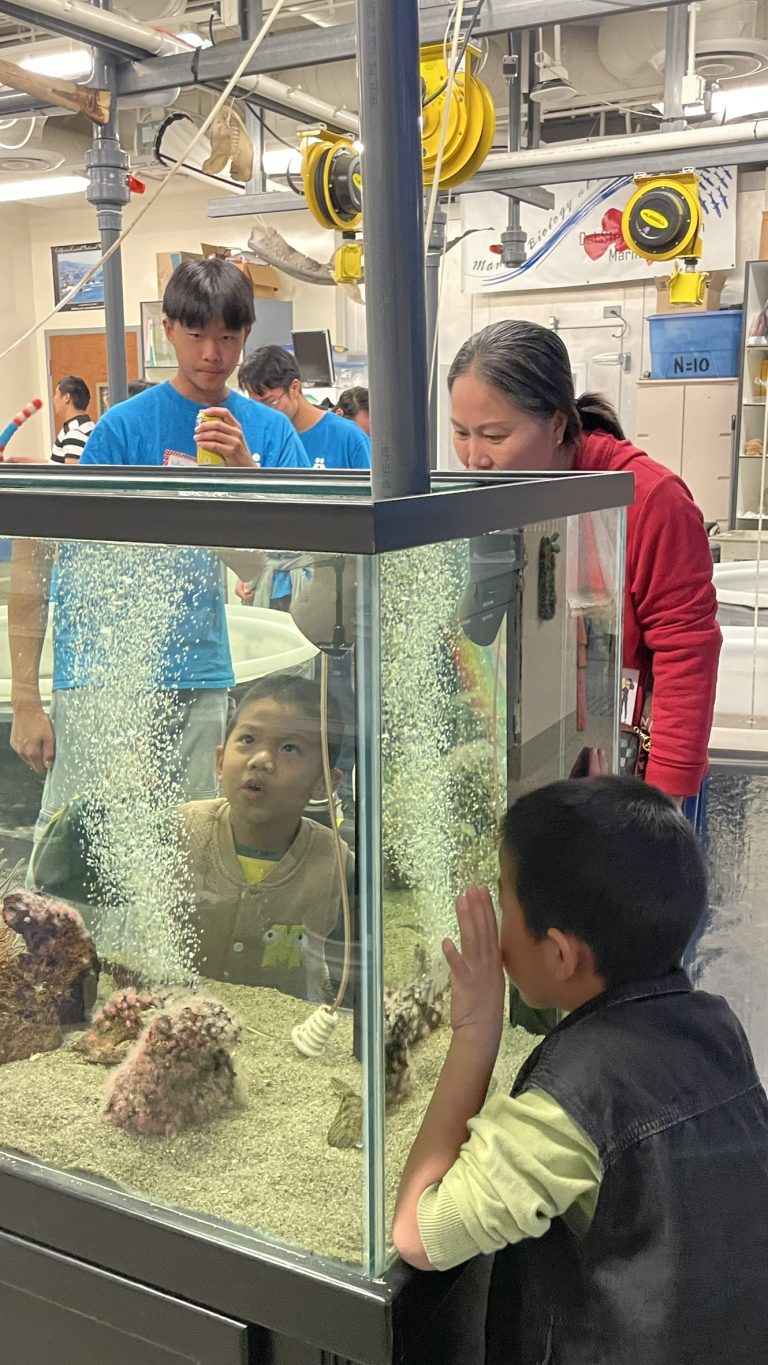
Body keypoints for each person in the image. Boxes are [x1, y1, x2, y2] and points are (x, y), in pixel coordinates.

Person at [393, 777, 768, 1362]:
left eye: (505, 902)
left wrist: (475, 1036)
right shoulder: (718, 1027)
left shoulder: (572, 1106)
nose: (497, 921)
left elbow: (419, 1236)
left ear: (561, 955)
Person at [9, 258, 311, 838]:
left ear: (247, 335)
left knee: (189, 840)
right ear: (168, 329)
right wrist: (28, 699)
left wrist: (244, 475)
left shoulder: (269, 434)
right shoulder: (122, 429)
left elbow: (285, 564)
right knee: (82, 845)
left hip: (197, 671)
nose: (212, 354)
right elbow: (52, 547)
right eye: (197, 335)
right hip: (104, 675)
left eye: (228, 337)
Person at [447, 320, 721, 804]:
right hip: (544, 750)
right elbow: (477, 635)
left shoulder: (651, 498)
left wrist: (664, 799)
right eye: (460, 433)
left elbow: (687, 648)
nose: (474, 459)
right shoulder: (500, 496)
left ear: (557, 424)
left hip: (629, 763)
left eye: (494, 435)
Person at [30, 673, 353, 1003]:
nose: (261, 760)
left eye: (289, 748)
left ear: (325, 782)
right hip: (172, 1022)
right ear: (219, 762)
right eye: (247, 740)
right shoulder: (175, 832)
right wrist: (107, 798)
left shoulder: (338, 867)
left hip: (284, 1040)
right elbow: (56, 875)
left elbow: (355, 971)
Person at [239, 346, 371, 470]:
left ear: (294, 388)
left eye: (269, 402)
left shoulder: (348, 437)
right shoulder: (255, 437)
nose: (263, 413)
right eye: (255, 406)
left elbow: (373, 491)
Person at [50, 375, 95, 465]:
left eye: (56, 394)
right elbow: (55, 464)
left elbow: (72, 475)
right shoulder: (85, 426)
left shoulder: (75, 433)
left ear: (66, 398)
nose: (54, 399)